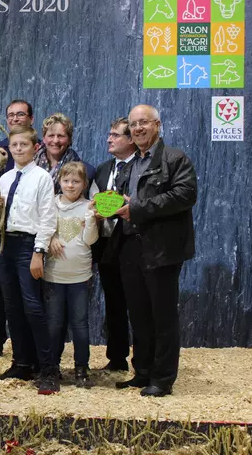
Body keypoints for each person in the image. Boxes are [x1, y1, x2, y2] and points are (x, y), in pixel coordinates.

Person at [107, 104, 197, 397]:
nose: (138, 128)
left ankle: (162, 378)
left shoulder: (175, 158)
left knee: (163, 317)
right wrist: (103, 207)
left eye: (143, 122)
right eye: (133, 124)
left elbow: (185, 195)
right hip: (130, 247)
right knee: (140, 315)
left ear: (157, 124)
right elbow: (122, 200)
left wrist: (138, 207)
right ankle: (142, 372)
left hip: (162, 248)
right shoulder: (131, 164)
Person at [0, 126, 59, 394]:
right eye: (14, 146)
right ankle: (21, 362)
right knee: (12, 305)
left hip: (28, 245)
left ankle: (48, 369)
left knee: (33, 306)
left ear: (35, 148)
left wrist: (38, 252)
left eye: (23, 145)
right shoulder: (6, 179)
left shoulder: (42, 178)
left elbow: (47, 217)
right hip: (5, 242)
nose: (18, 149)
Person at [0, 100, 38, 358]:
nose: (14, 118)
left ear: (31, 119)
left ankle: (29, 344)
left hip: (28, 229)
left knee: (29, 287)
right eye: (10, 115)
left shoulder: (38, 151)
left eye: (20, 114)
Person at [44, 162, 98, 388]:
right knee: (54, 324)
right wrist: (51, 239)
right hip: (54, 275)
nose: (70, 185)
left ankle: (81, 368)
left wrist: (92, 220)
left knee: (80, 324)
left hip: (80, 276)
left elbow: (90, 240)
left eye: (76, 181)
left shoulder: (88, 207)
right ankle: (52, 367)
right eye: (66, 180)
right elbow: (42, 229)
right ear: (59, 182)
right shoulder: (50, 205)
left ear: (84, 184)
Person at [88, 117, 137, 372]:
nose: (110, 138)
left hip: (133, 242)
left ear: (130, 140)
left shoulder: (141, 167)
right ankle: (116, 359)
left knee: (138, 303)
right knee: (114, 303)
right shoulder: (103, 168)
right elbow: (95, 200)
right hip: (107, 244)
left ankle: (142, 361)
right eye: (110, 134)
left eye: (116, 135)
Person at [35, 113, 95, 194]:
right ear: (44, 138)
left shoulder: (86, 171)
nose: (55, 141)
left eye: (60, 136)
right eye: (51, 135)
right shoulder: (29, 164)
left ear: (69, 140)